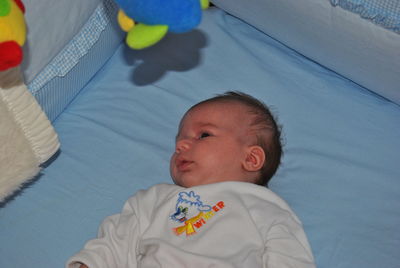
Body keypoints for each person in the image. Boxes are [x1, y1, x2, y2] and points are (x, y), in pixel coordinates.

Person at [67, 91, 315, 268]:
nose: (181, 145)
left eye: (203, 135)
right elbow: (116, 241)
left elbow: (291, 259)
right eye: (178, 140)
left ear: (251, 159)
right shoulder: (155, 199)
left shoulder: (267, 207)